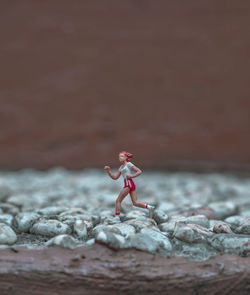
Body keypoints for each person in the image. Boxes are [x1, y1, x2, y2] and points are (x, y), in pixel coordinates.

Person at [104, 151, 155, 219]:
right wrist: (108, 171)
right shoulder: (121, 167)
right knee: (135, 202)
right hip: (129, 184)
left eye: (122, 156)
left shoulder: (129, 164)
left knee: (118, 201)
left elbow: (139, 171)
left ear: (126, 157)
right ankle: (149, 207)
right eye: (119, 156)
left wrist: (132, 176)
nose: (120, 158)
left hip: (128, 184)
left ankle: (117, 217)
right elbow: (115, 177)